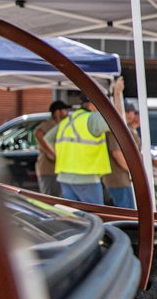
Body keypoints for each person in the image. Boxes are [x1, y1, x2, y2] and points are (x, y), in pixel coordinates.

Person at [46, 78, 123, 206]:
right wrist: (117, 94)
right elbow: (117, 122)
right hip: (86, 178)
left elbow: (47, 139)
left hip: (65, 177)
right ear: (93, 104)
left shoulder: (68, 120)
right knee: (94, 214)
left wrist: (59, 156)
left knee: (72, 215)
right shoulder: (92, 119)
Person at [101, 99, 139, 209]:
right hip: (118, 179)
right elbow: (117, 154)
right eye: (128, 112)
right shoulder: (116, 130)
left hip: (122, 179)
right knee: (127, 211)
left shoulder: (126, 128)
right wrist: (134, 171)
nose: (131, 115)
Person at [35, 99, 69, 197]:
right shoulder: (50, 124)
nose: (67, 113)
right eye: (65, 110)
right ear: (57, 112)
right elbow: (38, 134)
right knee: (49, 199)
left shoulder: (60, 124)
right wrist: (50, 153)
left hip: (57, 170)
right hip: (48, 169)